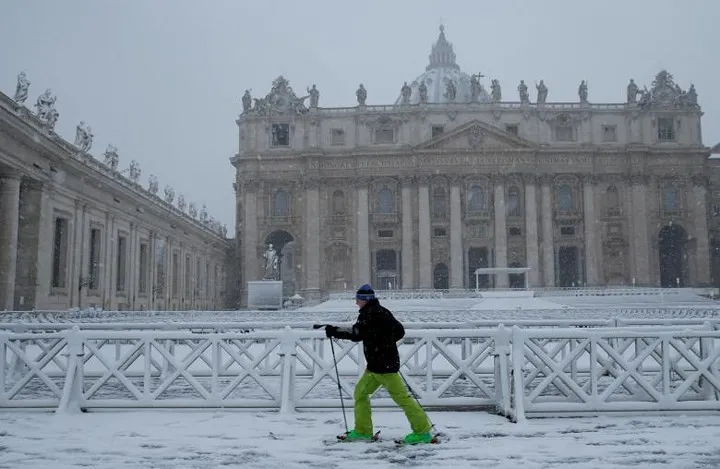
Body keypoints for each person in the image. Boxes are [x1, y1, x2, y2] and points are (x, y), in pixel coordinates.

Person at [324, 284, 433, 444]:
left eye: (358, 300)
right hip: (378, 365)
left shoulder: (369, 314)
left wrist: (334, 331)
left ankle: (423, 431)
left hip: (383, 367)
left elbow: (357, 334)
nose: (356, 303)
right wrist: (384, 343)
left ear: (364, 300)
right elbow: (398, 331)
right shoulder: (381, 311)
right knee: (361, 393)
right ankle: (363, 431)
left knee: (402, 398)